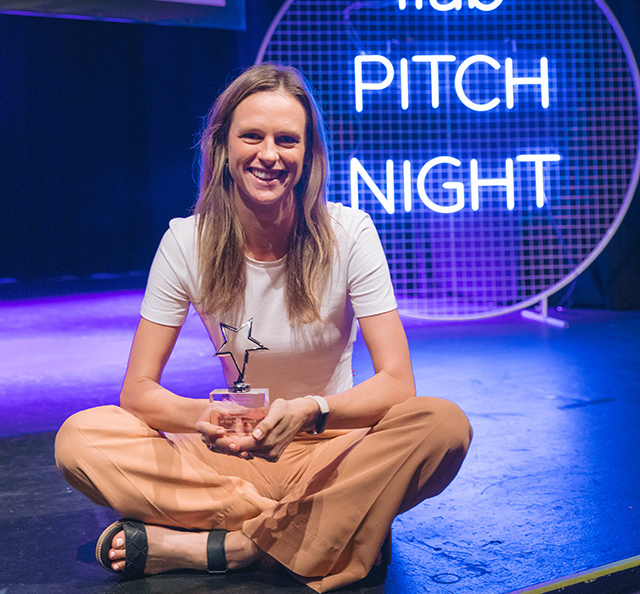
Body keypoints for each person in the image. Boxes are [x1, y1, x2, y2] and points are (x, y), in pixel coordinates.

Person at [54, 63, 472, 593]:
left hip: (330, 452)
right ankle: (322, 530)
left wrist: (312, 413)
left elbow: (397, 384)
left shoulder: (350, 232)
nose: (269, 155)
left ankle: (234, 547)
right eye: (252, 136)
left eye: (286, 140)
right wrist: (203, 415)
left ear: (309, 153)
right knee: (80, 438)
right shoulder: (186, 241)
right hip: (228, 457)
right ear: (223, 148)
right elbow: (136, 391)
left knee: (443, 424)